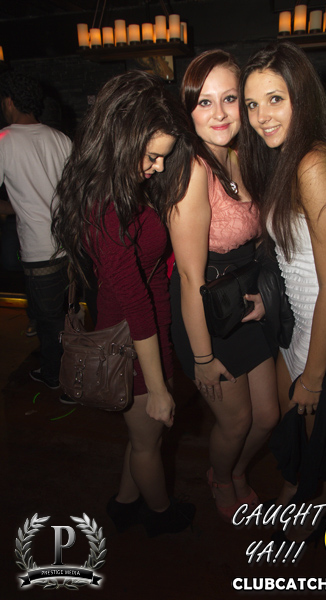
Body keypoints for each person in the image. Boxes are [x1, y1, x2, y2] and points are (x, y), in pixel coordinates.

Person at [52, 71, 195, 537]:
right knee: (150, 440)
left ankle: (125, 501)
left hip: (145, 330)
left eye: (162, 156)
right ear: (121, 139)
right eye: (151, 156)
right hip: (131, 340)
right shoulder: (103, 205)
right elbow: (134, 302)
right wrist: (157, 387)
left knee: (142, 437)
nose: (158, 167)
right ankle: (161, 516)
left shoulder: (120, 186)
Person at [239, 42, 326, 533]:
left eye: (275, 99)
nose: (261, 117)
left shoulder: (313, 163)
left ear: (302, 97)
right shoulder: (289, 157)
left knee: (318, 443)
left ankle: (304, 521)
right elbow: (295, 258)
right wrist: (268, 299)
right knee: (288, 420)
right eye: (252, 104)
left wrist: (314, 378)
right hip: (303, 317)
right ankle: (293, 493)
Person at [168, 50, 279, 522]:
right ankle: (222, 477)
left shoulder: (237, 156)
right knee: (236, 421)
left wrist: (265, 296)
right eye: (204, 102)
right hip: (206, 312)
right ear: (188, 110)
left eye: (229, 99)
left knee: (268, 416)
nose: (218, 113)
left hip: (242, 300)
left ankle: (234, 469)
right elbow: (190, 277)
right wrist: (202, 358)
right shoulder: (192, 170)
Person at [0, 72, 72, 390]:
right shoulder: (61, 139)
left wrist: (15, 207)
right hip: (69, 244)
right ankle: (74, 370)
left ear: (9, 102)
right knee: (66, 315)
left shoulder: (5, 140)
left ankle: (59, 378)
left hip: (39, 248)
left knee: (48, 321)